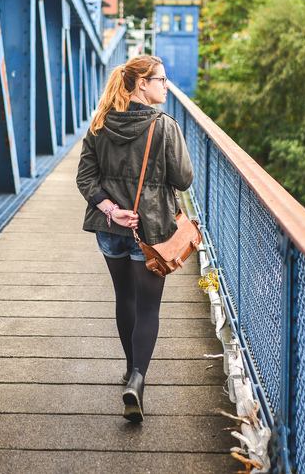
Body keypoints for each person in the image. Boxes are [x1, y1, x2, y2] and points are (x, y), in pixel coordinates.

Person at [75, 54, 193, 423]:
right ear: (142, 83)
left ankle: (129, 371)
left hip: (111, 228)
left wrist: (112, 209)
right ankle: (138, 379)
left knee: (123, 297)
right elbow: (184, 179)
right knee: (149, 308)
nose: (166, 85)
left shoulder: (100, 122)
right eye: (160, 79)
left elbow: (85, 178)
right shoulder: (165, 126)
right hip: (152, 231)